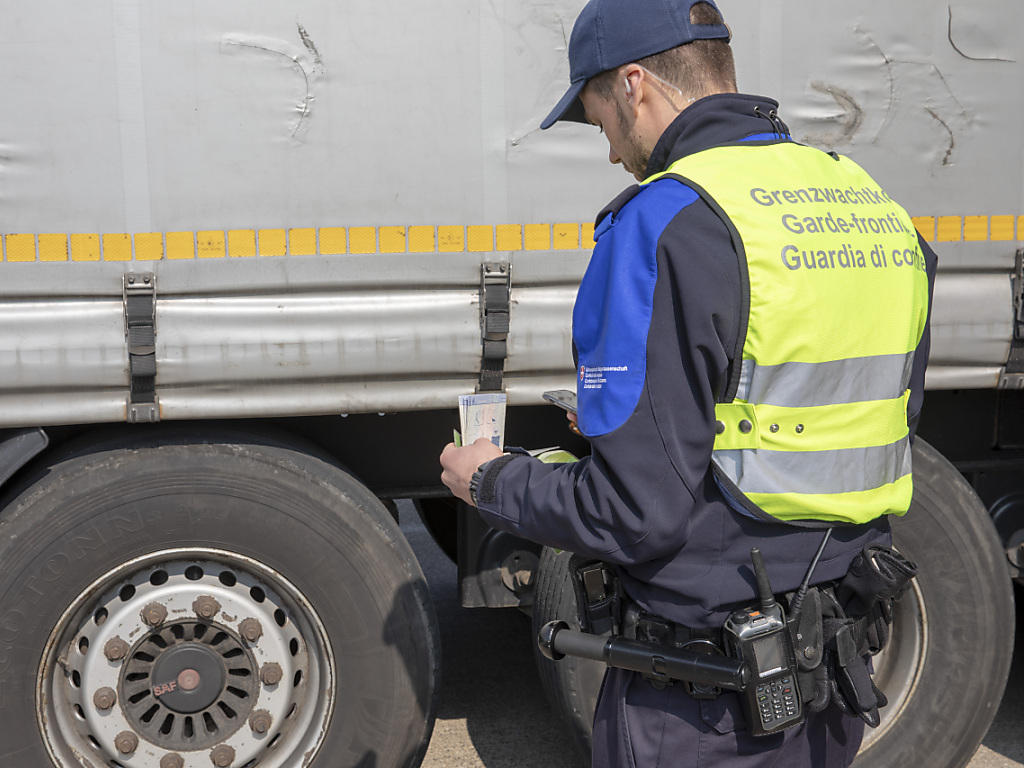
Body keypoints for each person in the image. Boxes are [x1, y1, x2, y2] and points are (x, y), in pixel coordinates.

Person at [440, 0, 936, 765]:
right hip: (834, 677)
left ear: (635, 83)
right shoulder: (870, 206)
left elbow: (635, 517)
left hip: (706, 699)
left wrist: (492, 483)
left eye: (598, 113)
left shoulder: (664, 220)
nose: (610, 150)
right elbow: (834, 418)